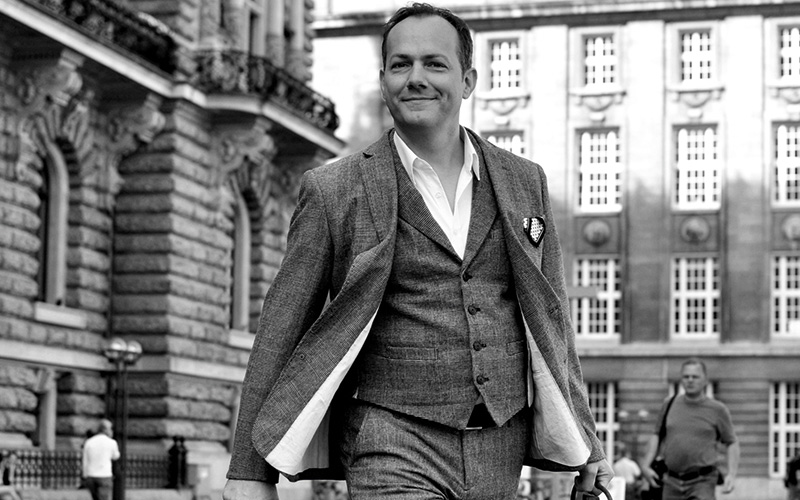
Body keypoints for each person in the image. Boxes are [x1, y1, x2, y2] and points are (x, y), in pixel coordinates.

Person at [222, 3, 613, 499]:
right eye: (400, 64)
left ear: (467, 81)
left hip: (499, 444)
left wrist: (589, 445)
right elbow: (282, 328)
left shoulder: (524, 181)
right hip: (390, 439)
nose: (416, 78)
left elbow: (551, 322)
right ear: (383, 81)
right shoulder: (333, 189)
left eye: (434, 63)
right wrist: (248, 471)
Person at [641, 358, 739, 500]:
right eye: (686, 377)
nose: (690, 380)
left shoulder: (717, 409)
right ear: (681, 379)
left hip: (702, 481)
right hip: (671, 480)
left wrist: (731, 474)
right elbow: (657, 434)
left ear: (705, 380)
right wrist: (645, 465)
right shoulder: (669, 404)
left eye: (695, 377)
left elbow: (732, 442)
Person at [81, 419, 120, 500]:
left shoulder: (89, 442)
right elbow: (115, 456)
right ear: (105, 430)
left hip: (91, 476)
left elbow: (85, 460)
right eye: (110, 429)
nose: (111, 431)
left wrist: (84, 475)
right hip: (105, 475)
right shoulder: (112, 442)